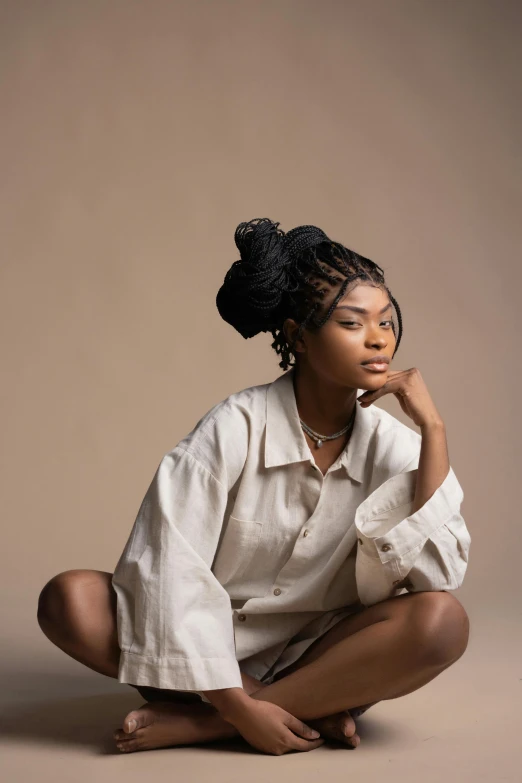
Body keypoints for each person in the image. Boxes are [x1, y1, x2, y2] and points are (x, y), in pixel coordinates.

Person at [37, 218, 471, 757]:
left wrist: (435, 430)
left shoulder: (398, 445)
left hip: (320, 657)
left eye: (386, 321)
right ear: (297, 336)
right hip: (200, 654)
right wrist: (236, 702)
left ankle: (204, 726)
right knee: (70, 599)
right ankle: (287, 711)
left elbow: (439, 574)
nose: (380, 337)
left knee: (442, 621)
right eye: (352, 323)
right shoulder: (234, 426)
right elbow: (168, 564)